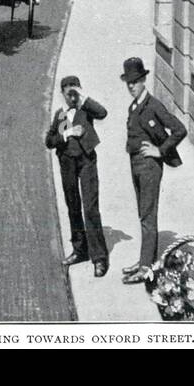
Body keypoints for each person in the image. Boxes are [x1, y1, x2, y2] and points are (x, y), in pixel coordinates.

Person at [121, 57, 187, 284]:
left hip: (149, 168)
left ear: (143, 79)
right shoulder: (134, 105)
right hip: (136, 165)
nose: (131, 85)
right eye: (128, 82)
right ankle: (144, 260)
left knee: (148, 216)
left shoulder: (153, 105)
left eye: (135, 81)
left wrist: (160, 150)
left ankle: (146, 267)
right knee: (143, 214)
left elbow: (179, 129)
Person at [45, 75, 109, 278]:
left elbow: (102, 113)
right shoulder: (61, 114)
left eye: (75, 93)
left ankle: (99, 258)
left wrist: (83, 96)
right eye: (68, 93)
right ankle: (80, 250)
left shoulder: (85, 109)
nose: (72, 98)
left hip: (86, 162)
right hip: (67, 163)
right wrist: (67, 133)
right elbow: (49, 140)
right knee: (73, 206)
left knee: (90, 208)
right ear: (62, 94)